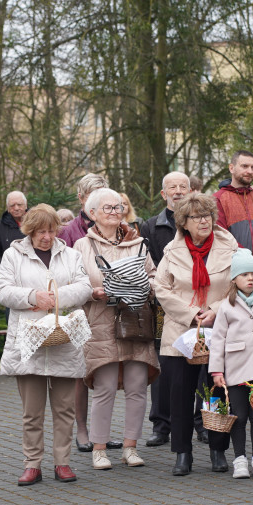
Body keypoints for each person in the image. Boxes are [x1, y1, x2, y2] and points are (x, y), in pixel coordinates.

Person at [0, 204, 93, 486]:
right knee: (32, 411)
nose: (47, 237)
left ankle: (62, 463)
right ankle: (32, 464)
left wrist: (55, 296)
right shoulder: (13, 255)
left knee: (64, 409)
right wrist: (32, 296)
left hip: (64, 340)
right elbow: (3, 291)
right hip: (28, 342)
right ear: (29, 231)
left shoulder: (71, 254)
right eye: (40, 232)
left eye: (51, 231)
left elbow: (85, 286)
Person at [74, 188, 159, 470]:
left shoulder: (138, 243)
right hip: (100, 322)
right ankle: (99, 449)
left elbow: (154, 276)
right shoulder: (81, 247)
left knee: (137, 386)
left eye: (119, 207)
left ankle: (130, 447)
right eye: (108, 208)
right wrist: (92, 292)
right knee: (105, 387)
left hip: (135, 320)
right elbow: (74, 284)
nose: (115, 212)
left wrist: (145, 288)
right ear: (93, 214)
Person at [154, 193, 237, 476]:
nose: (204, 221)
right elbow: (161, 288)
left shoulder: (230, 245)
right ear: (183, 223)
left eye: (207, 215)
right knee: (180, 395)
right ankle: (182, 454)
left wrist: (214, 309)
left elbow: (241, 283)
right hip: (181, 331)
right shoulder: (171, 250)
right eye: (196, 217)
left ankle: (217, 450)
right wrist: (191, 314)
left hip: (219, 328)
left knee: (216, 392)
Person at [208, 249, 253, 479]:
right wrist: (216, 370)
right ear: (234, 279)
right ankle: (239, 458)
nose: (250, 279)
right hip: (235, 371)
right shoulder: (226, 306)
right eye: (244, 275)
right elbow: (217, 340)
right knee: (238, 416)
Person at [58, 173, 110, 452]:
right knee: (80, 370)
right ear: (81, 199)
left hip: (111, 311)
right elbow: (61, 274)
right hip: (80, 310)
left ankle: (103, 430)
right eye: (93, 195)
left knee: (107, 370)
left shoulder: (119, 226)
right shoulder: (69, 232)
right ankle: (81, 428)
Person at [140, 171, 192, 447]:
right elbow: (148, 267)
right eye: (172, 187)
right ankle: (161, 425)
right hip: (163, 307)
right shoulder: (150, 226)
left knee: (201, 361)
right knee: (163, 364)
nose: (178, 191)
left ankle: (202, 421)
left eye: (183, 186)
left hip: (197, 305)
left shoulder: (199, 222)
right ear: (164, 194)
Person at [214, 150, 253, 257]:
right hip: (234, 266)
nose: (250, 171)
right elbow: (220, 236)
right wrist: (247, 259)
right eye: (245, 166)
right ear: (231, 168)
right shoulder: (218, 199)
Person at [0, 191, 27, 273]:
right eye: (12, 205)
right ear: (8, 208)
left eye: (19, 204)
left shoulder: (36, 222)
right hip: (10, 275)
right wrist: (3, 268)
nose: (16, 208)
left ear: (26, 205)